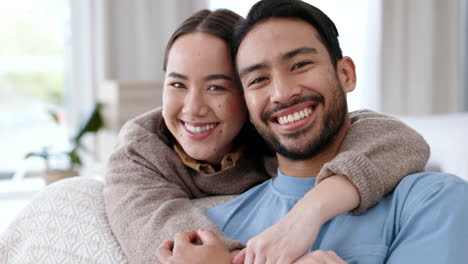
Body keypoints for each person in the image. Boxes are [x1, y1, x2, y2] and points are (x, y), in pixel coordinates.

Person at [104, 7, 431, 264]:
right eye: (177, 84)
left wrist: (305, 216)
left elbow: (399, 140)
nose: (193, 108)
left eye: (217, 87)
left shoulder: (274, 132)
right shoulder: (139, 151)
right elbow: (171, 243)